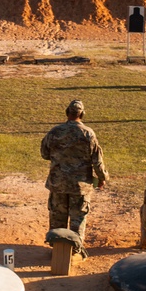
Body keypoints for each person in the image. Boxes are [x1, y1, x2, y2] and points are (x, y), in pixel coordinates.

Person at [40, 99, 109, 243]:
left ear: (67, 113)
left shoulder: (55, 132)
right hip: (80, 187)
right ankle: (75, 251)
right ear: (82, 114)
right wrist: (102, 177)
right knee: (77, 222)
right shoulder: (88, 134)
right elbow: (97, 161)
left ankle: (57, 250)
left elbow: (44, 154)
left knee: (57, 219)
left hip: (57, 184)